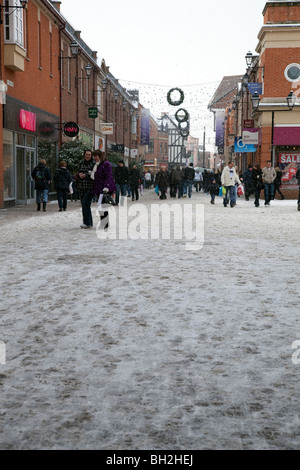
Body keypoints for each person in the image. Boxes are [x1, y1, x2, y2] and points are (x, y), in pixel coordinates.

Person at [93, 150, 116, 230]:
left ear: (100, 156)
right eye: (94, 156)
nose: (95, 158)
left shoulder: (106, 164)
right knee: (100, 206)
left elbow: (108, 176)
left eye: (96, 156)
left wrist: (106, 186)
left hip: (104, 188)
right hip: (99, 188)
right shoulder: (98, 164)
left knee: (103, 206)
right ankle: (103, 223)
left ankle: (105, 224)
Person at [76, 149, 94, 229]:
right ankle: (87, 222)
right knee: (84, 205)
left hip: (90, 187)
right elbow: (77, 172)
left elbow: (94, 174)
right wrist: (79, 174)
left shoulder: (93, 164)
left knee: (85, 203)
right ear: (84, 155)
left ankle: (88, 222)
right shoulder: (81, 163)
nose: (88, 156)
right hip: (82, 186)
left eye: (89, 154)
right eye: (86, 154)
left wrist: (86, 175)